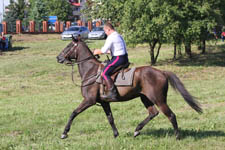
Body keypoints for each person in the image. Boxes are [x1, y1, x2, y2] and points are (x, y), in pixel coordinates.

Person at [94, 22, 129, 100]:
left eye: (105, 31)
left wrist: (96, 51)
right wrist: (109, 52)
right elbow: (117, 48)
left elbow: (103, 50)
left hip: (118, 58)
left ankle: (112, 92)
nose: (106, 33)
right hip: (124, 57)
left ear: (108, 29)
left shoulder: (111, 37)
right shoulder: (119, 35)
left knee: (104, 73)